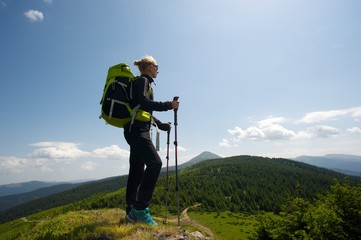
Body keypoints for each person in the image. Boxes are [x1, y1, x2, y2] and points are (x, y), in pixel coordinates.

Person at [124, 55, 179, 226]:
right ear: (149, 67)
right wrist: (169, 105)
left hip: (135, 130)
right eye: (156, 66)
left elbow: (143, 110)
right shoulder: (143, 81)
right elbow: (144, 102)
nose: (158, 70)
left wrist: (161, 125)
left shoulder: (142, 82)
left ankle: (131, 209)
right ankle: (139, 209)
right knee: (155, 163)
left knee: (137, 171)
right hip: (138, 132)